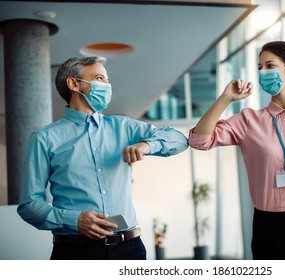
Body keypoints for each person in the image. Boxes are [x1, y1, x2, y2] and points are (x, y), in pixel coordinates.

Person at [17, 56, 188, 260]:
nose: (107, 86)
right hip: (75, 252)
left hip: (130, 248)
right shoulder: (44, 139)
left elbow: (179, 140)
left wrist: (147, 145)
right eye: (99, 78)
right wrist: (75, 220)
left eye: (107, 81)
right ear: (73, 84)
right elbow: (29, 205)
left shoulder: (124, 127)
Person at [188, 41, 285, 260]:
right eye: (260, 67)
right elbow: (198, 140)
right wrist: (226, 98)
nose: (262, 72)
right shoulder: (248, 121)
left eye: (269, 66)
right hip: (269, 226)